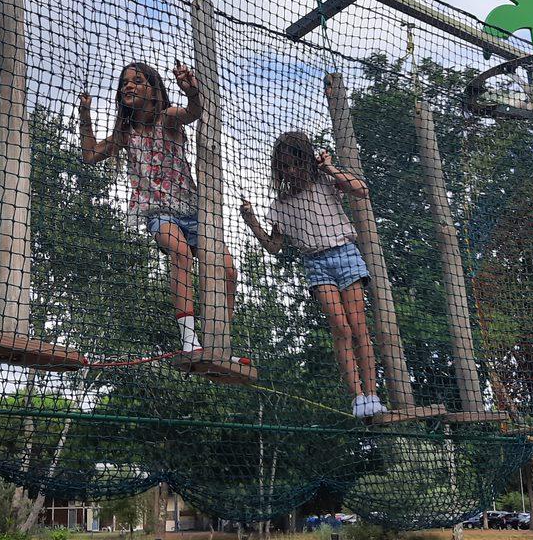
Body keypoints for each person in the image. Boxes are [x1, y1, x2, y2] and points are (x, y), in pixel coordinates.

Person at [79, 60, 236, 353]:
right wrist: (85, 115)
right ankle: (189, 339)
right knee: (178, 251)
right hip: (157, 212)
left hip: (192, 210)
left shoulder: (168, 119)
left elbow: (193, 112)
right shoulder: (126, 135)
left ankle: (222, 342)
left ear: (153, 91)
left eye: (137, 81)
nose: (129, 85)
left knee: (227, 270)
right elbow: (90, 154)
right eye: (125, 82)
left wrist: (191, 92)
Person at [240, 130, 386, 418]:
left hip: (345, 254)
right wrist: (252, 221)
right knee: (340, 328)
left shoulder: (325, 182)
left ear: (307, 161)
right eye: (284, 165)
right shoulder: (280, 205)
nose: (290, 170)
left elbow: (362, 190)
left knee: (359, 328)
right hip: (316, 263)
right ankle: (357, 398)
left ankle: (373, 395)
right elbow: (274, 247)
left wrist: (329, 167)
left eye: (295, 163)